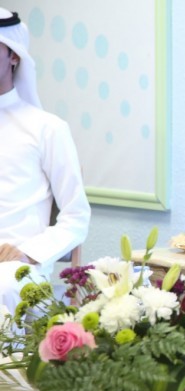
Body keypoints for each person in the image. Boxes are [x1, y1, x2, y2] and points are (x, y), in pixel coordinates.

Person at [0, 8, 90, 313]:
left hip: (16, 271)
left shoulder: (47, 128)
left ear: (14, 56)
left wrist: (27, 253)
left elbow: (76, 216)